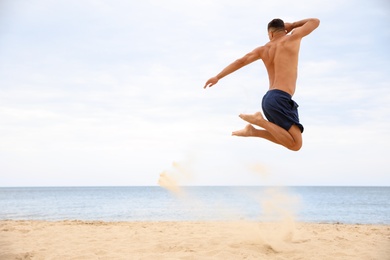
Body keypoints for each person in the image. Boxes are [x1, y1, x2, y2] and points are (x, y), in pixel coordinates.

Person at [204, 18, 320, 151]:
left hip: (270, 99)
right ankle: (259, 121)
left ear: (270, 34)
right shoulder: (292, 38)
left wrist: (217, 77)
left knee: (289, 140)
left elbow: (240, 61)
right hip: (280, 98)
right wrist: (293, 25)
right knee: (295, 144)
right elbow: (315, 21)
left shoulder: (264, 49)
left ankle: (254, 131)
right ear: (284, 29)